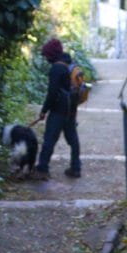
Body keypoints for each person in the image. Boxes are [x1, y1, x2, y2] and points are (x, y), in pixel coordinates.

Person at [31, 38, 82, 180]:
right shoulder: (69, 64)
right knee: (73, 139)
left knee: (49, 139)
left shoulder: (56, 68)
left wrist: (44, 110)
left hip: (59, 110)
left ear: (51, 54)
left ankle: (42, 169)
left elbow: (52, 92)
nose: (46, 58)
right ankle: (76, 168)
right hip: (71, 108)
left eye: (46, 55)